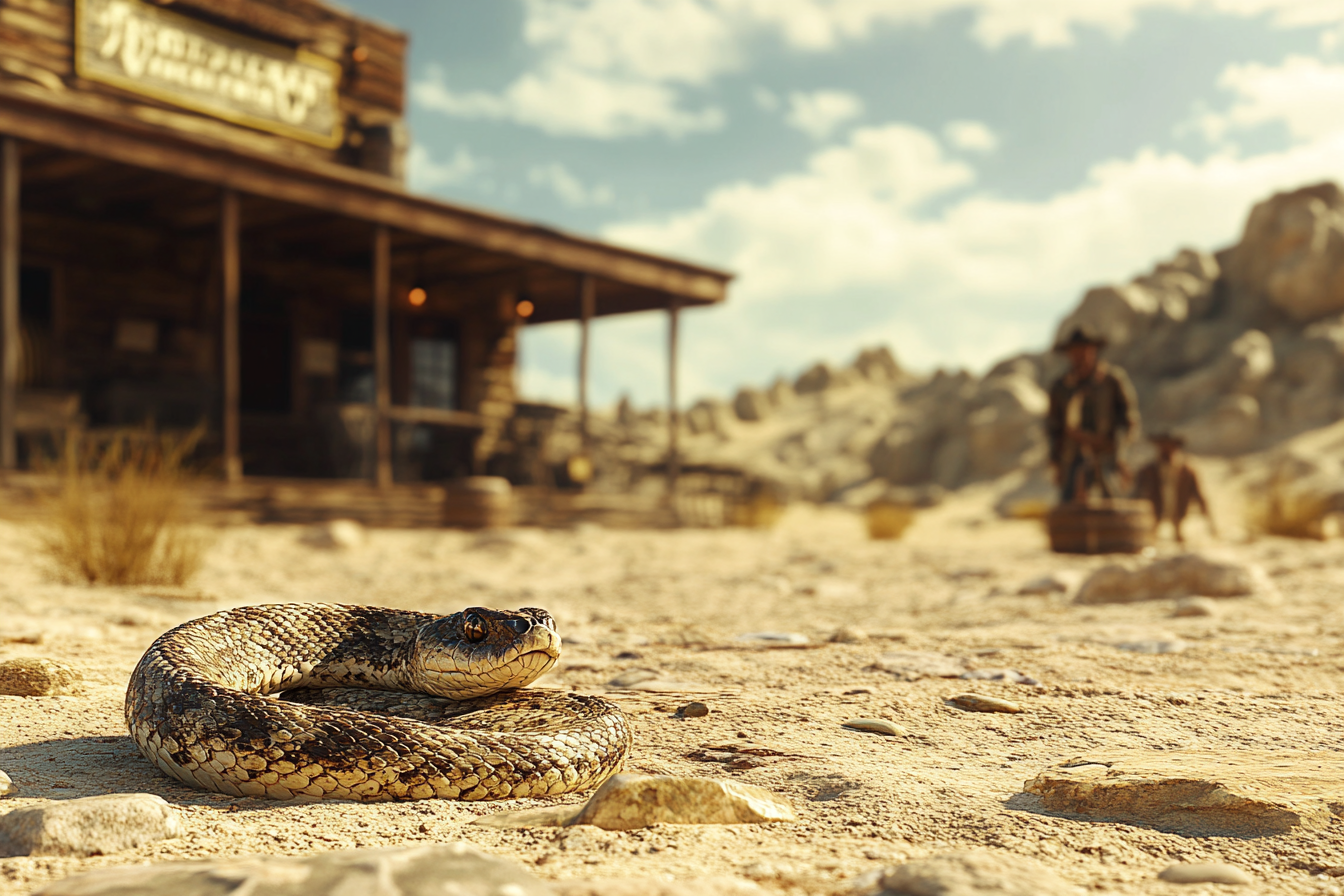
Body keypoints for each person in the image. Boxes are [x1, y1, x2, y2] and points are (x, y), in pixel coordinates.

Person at [1046, 326, 1140, 503]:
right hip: (1073, 456)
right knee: (1068, 506)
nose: (1079, 356)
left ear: (1093, 351)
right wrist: (1056, 463)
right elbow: (1054, 427)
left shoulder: (1111, 381)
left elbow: (1127, 420)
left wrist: (1120, 454)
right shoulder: (1061, 387)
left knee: (1113, 502)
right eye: (1074, 352)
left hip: (1107, 454)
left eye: (1084, 350)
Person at [1132, 433, 1215, 544]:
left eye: (1169, 446)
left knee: (1179, 537)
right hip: (1155, 512)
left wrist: (1210, 522)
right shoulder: (1148, 470)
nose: (1166, 450)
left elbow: (1199, 495)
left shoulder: (1187, 471)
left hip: (1179, 510)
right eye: (1162, 447)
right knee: (1151, 538)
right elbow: (1137, 493)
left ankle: (1177, 534)